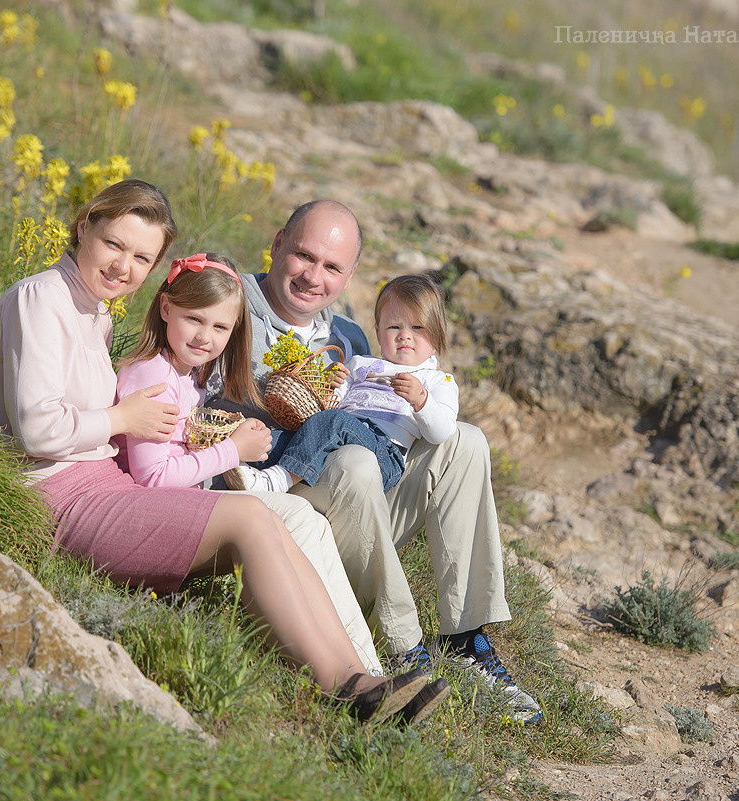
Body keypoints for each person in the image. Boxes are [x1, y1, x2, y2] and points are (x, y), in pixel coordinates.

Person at [0, 180, 448, 726]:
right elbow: (36, 431)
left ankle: (364, 679)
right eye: (113, 245)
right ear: (84, 227)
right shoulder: (41, 298)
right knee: (251, 518)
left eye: (142, 258)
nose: (124, 266)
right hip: (59, 495)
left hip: (101, 483)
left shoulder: (92, 309)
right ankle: (343, 688)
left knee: (273, 519)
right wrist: (124, 419)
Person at [215, 199, 543, 723]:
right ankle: (401, 643)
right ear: (277, 244)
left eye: (332, 266)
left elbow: (383, 421)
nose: (313, 277)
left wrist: (425, 400)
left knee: (465, 441)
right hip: (282, 504)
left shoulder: (350, 337)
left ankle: (464, 636)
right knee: (354, 461)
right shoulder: (231, 305)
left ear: (350, 276)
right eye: (304, 256)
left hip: (358, 509)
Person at [112, 251, 384, 674]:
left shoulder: (184, 374)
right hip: (155, 514)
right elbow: (153, 479)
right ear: (165, 308)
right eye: (194, 319)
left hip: (184, 501)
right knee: (296, 520)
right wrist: (232, 451)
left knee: (309, 520)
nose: (205, 337)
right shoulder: (152, 376)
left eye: (220, 327)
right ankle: (352, 672)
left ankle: (364, 667)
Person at [226, 274, 458, 497]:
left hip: (384, 454)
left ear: (437, 336)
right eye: (394, 327)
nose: (404, 335)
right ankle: (243, 468)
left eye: (417, 328)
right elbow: (332, 405)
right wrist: (331, 384)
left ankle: (277, 481)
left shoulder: (437, 379)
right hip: (338, 438)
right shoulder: (361, 364)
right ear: (379, 333)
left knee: (335, 422)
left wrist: (421, 400)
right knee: (281, 437)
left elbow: (441, 433)